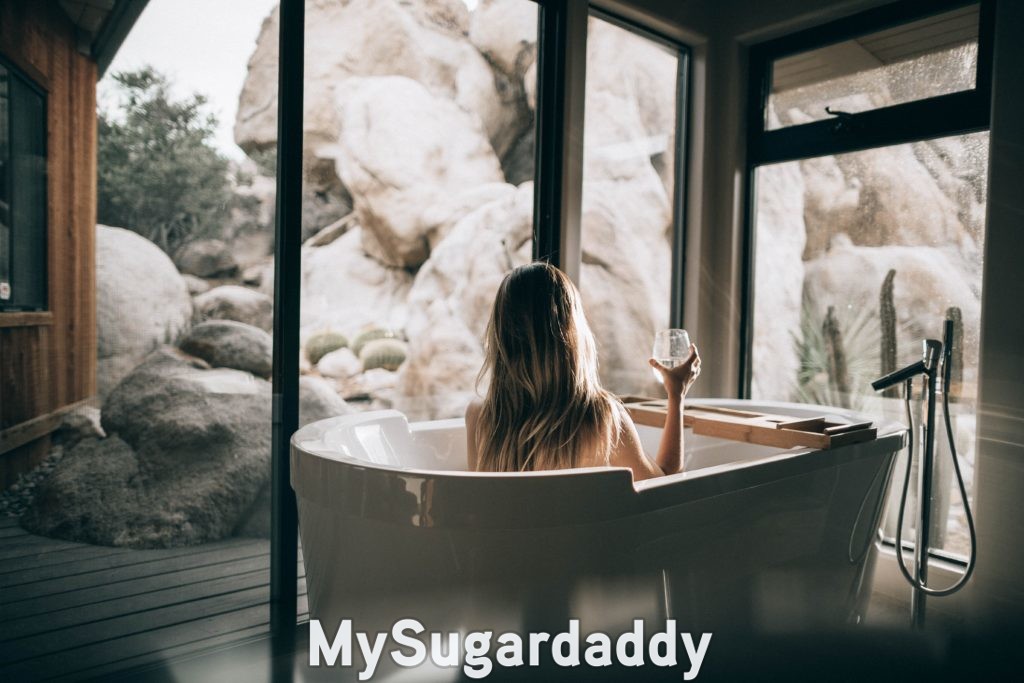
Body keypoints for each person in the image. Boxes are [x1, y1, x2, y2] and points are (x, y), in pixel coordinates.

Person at [465, 262, 700, 481]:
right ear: (572, 335)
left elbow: (480, 502)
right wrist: (676, 394)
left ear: (501, 337)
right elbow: (662, 488)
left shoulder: (479, 417)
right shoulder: (601, 418)